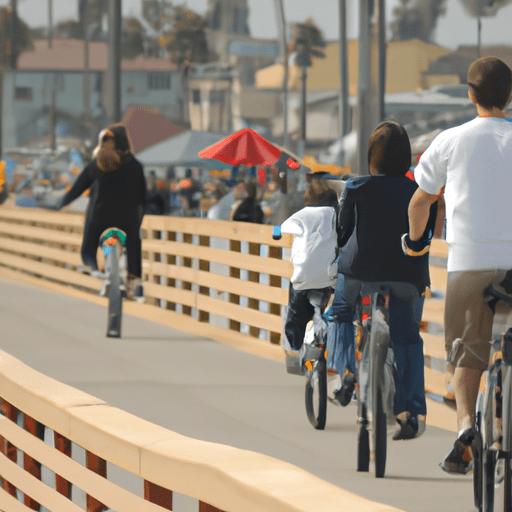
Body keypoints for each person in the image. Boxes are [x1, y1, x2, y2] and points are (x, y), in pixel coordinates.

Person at [407, 56, 512, 474]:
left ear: (470, 95)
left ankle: (466, 425)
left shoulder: (450, 140)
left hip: (470, 264)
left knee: (466, 355)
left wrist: (415, 242)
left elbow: (420, 201)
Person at [334, 120, 436, 440]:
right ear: (405, 157)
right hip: (407, 275)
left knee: (340, 311)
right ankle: (411, 411)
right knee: (407, 339)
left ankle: (346, 374)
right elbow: (425, 235)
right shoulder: (419, 193)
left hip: (360, 272)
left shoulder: (355, 187)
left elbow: (342, 231)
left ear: (371, 158)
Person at [57, 125, 147, 298]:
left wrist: (61, 203)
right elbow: (143, 199)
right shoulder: (136, 166)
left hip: (99, 219)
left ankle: (92, 266)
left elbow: (77, 189)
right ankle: (135, 283)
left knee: (88, 248)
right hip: (127, 221)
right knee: (134, 244)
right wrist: (137, 222)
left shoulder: (97, 164)